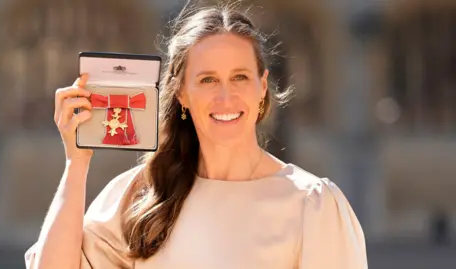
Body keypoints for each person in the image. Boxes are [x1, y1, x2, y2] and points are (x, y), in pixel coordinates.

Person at [24, 3, 367, 269]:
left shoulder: (313, 205)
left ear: (262, 87)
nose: (225, 97)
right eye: (207, 80)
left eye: (240, 77)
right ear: (182, 94)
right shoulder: (143, 196)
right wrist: (77, 161)